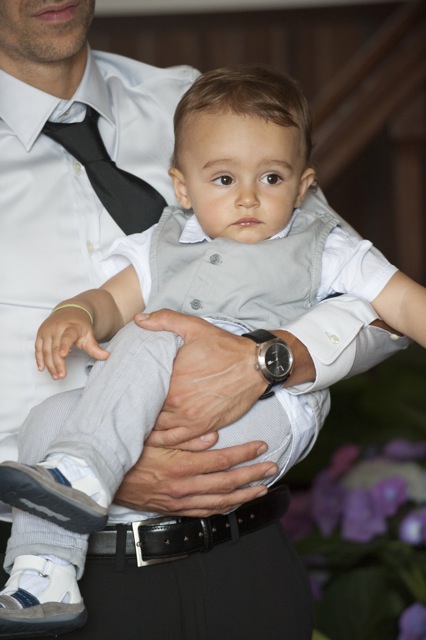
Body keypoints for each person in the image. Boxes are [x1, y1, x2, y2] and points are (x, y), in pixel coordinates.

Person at [0, 2, 410, 639]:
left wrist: (272, 356)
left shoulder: (214, 106)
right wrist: (110, 465)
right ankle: (51, 545)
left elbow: (378, 307)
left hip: (242, 552)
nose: (248, 194)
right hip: (47, 561)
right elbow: (110, 299)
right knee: (59, 411)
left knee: (152, 331)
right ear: (181, 185)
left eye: (268, 179)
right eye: (222, 181)